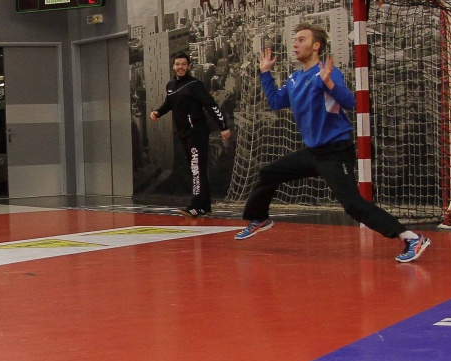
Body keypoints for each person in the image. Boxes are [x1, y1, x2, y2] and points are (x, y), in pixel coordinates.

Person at [236, 24, 431, 264]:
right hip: (313, 152)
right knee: (268, 173)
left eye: (301, 39)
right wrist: (265, 73)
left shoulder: (326, 72)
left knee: (353, 205)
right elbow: (276, 102)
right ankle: (259, 218)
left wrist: (329, 84)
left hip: (335, 151)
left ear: (316, 46)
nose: (295, 44)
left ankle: (411, 238)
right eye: (294, 40)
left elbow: (349, 102)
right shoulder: (295, 78)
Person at [149, 52, 231, 217]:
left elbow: (211, 105)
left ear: (189, 66)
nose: (180, 67)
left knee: (196, 168)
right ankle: (205, 205)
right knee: (196, 168)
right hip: (184, 133)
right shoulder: (171, 85)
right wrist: (158, 112)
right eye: (177, 64)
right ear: (173, 66)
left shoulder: (195, 85)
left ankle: (196, 206)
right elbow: (169, 103)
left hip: (197, 133)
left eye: (184, 64)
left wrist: (223, 127)